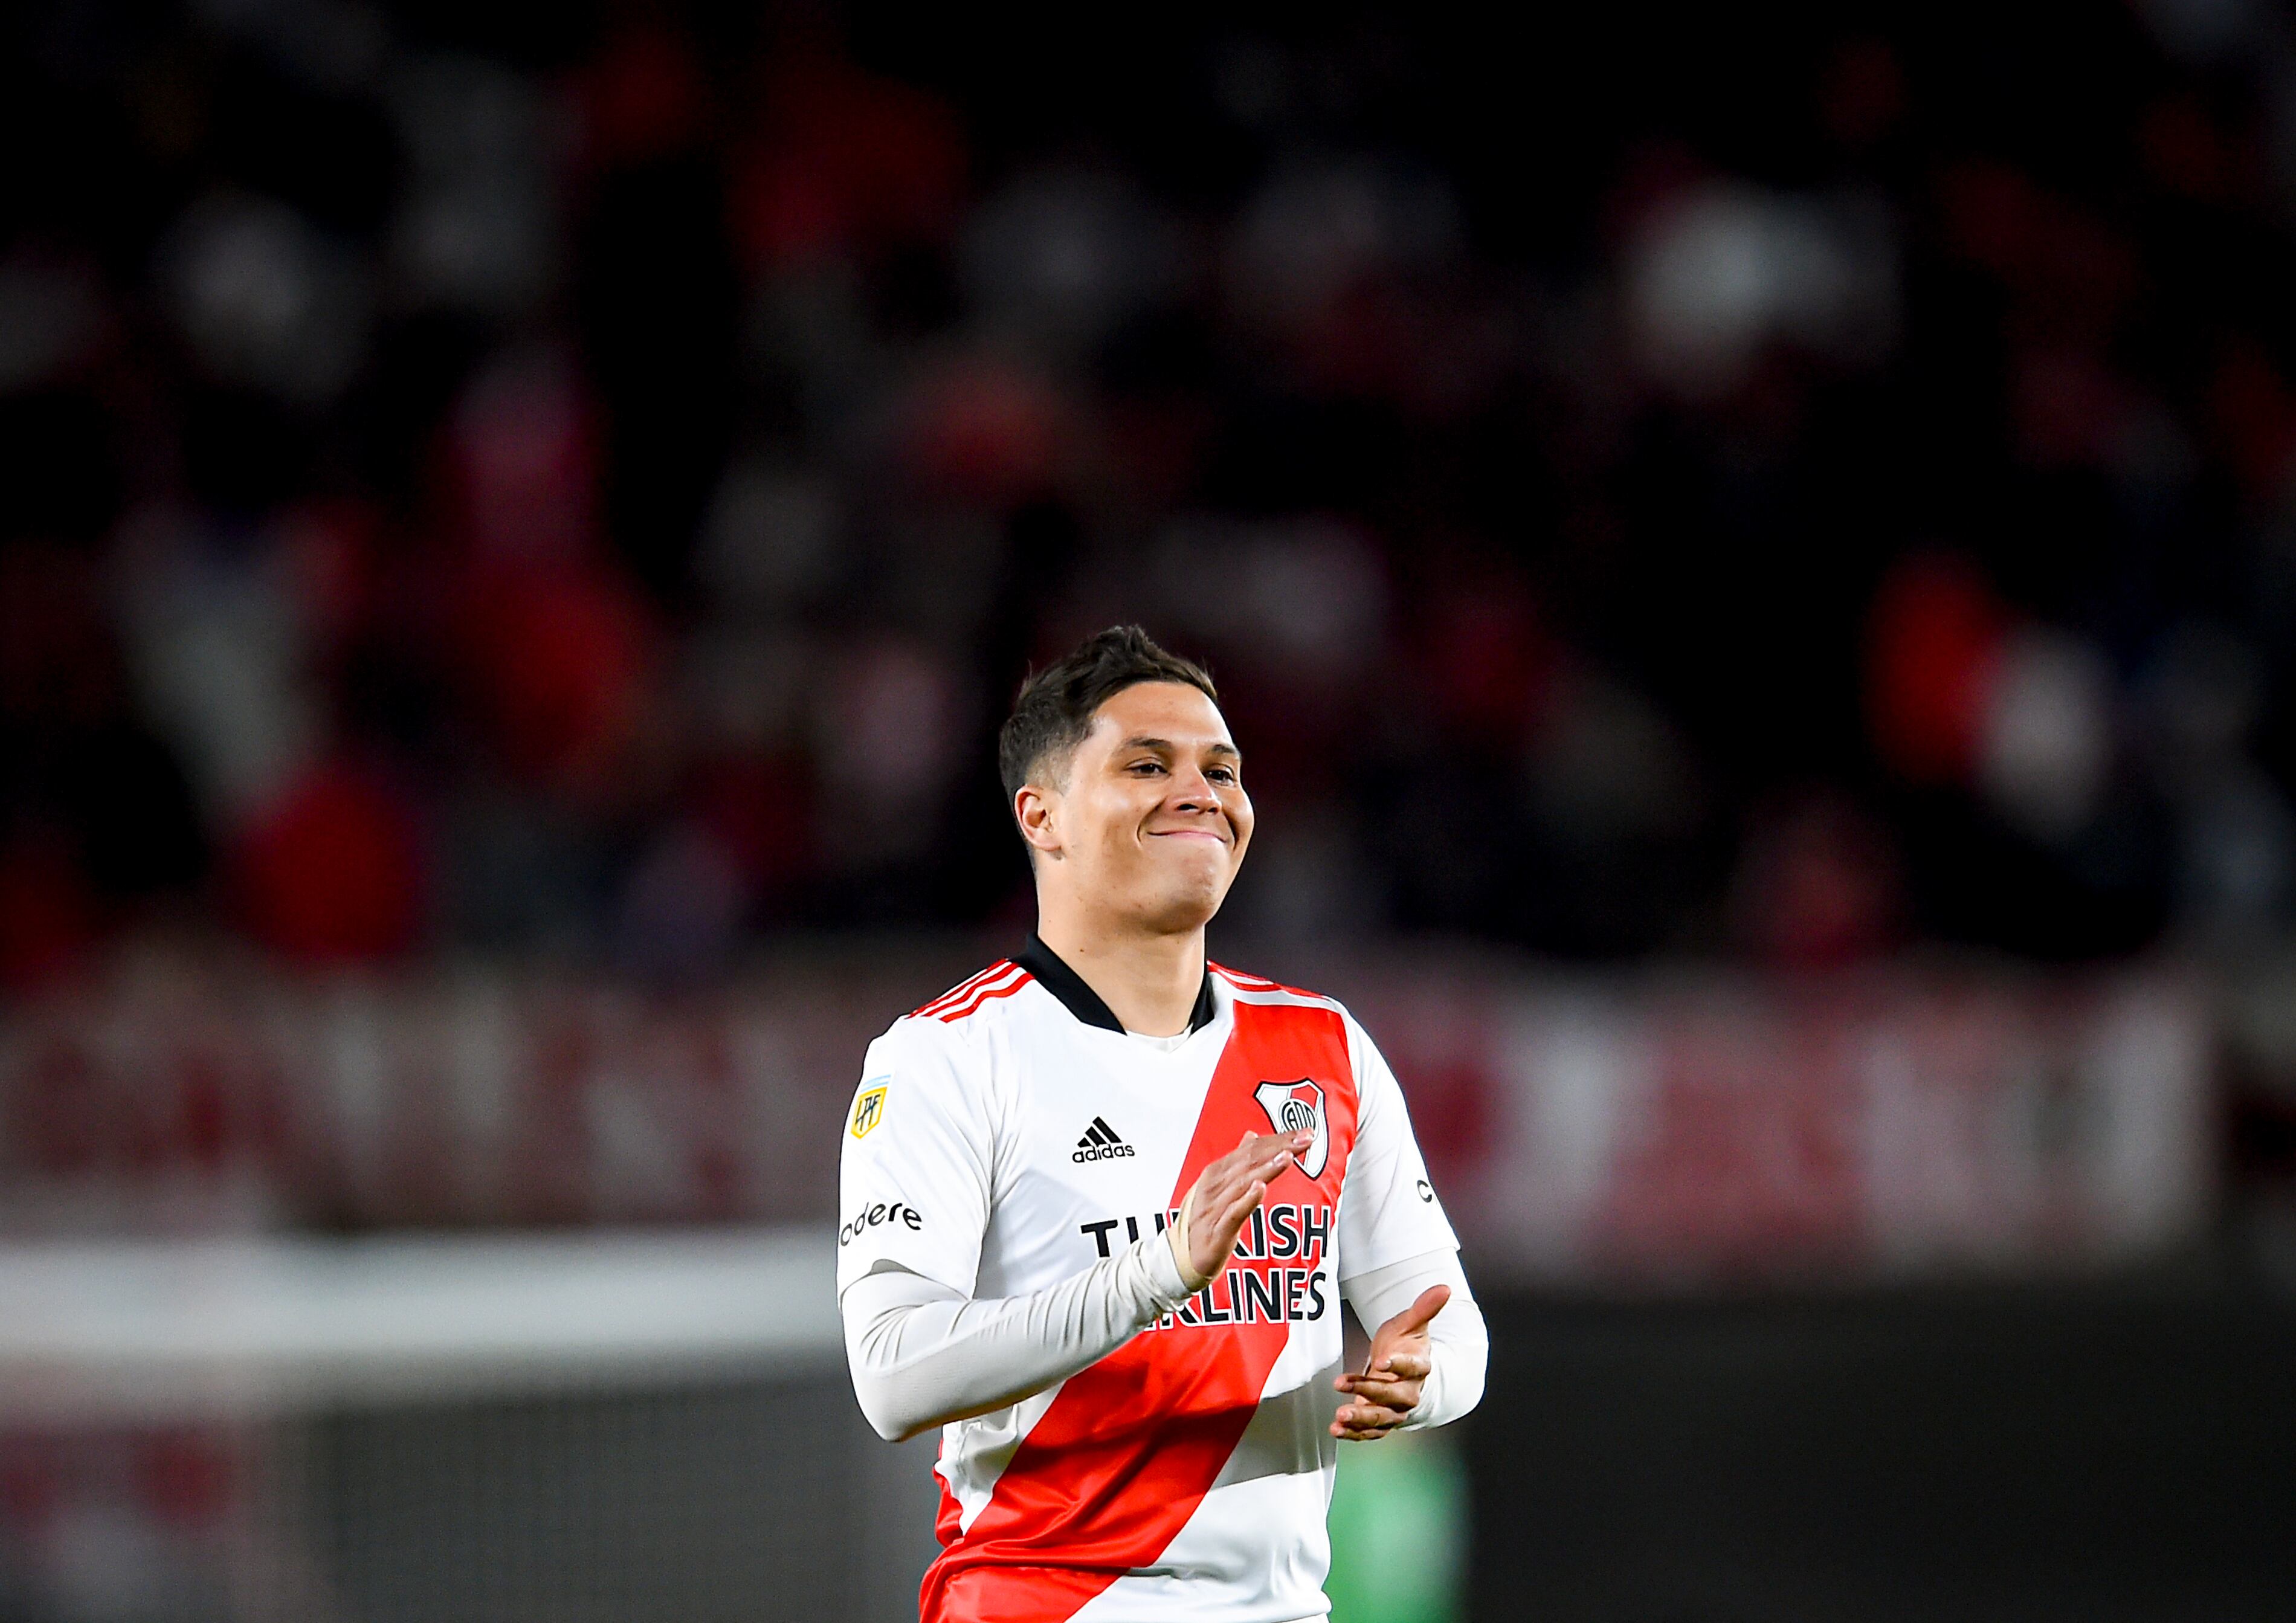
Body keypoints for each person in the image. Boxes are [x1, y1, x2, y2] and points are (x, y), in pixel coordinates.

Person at [837, 625, 1488, 1623]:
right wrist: (1155, 1271)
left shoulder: (1324, 1046)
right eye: (1148, 765)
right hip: (1050, 1602)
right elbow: (891, 1373)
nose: (1203, 792)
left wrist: (1421, 1379)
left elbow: (1452, 1331)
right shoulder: (948, 1056)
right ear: (1042, 814)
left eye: (1221, 770)